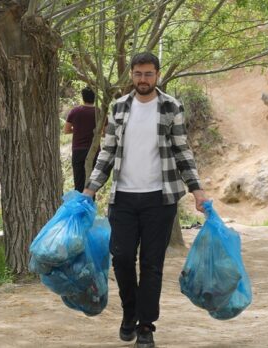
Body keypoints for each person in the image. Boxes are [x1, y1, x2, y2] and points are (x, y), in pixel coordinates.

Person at [82, 52, 208, 348]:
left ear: (157, 74)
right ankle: (129, 313)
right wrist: (91, 188)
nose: (143, 79)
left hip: (160, 199)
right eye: (138, 74)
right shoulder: (119, 107)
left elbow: (182, 151)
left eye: (148, 74)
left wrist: (196, 189)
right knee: (122, 257)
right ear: (131, 75)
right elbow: (107, 151)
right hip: (123, 198)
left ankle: (146, 326)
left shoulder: (171, 107)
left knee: (152, 264)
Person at [64, 87, 99, 193]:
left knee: (79, 184)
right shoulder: (99, 112)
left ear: (82, 97)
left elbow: (66, 130)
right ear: (95, 97)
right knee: (92, 185)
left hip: (78, 150)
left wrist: (78, 130)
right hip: (94, 150)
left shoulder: (75, 111)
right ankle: (90, 208)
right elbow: (105, 132)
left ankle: (79, 208)